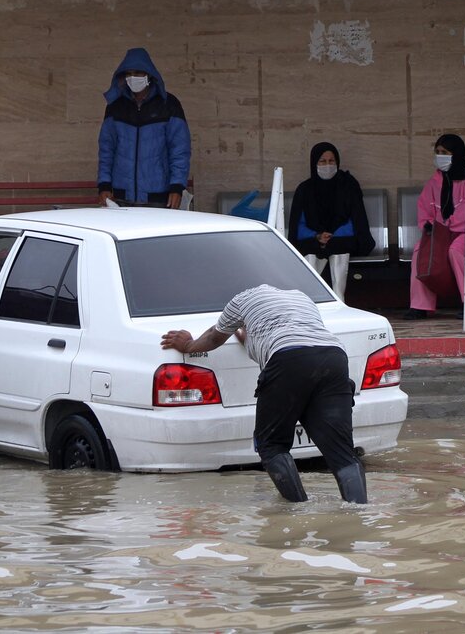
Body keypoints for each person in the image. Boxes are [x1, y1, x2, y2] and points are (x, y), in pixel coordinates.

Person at [161, 284, 367, 504]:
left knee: (271, 445)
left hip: (288, 359)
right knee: (342, 454)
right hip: (334, 357)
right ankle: (359, 513)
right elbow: (282, 336)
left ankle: (297, 511)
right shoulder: (300, 297)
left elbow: (214, 337)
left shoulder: (240, 300)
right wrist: (244, 335)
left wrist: (189, 344)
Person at [97, 47, 191, 209]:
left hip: (159, 198)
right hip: (121, 198)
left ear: (149, 75)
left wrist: (177, 186)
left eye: (139, 73)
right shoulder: (115, 106)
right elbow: (107, 149)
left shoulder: (168, 104)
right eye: (129, 73)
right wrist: (104, 185)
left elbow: (179, 150)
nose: (133, 78)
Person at [287, 142, 375, 301]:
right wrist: (317, 236)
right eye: (322, 161)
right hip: (315, 240)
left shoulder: (348, 185)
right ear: (314, 163)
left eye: (331, 161)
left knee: (339, 249)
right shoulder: (305, 190)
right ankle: (309, 301)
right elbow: (298, 225)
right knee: (311, 253)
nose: (328, 165)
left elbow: (356, 219)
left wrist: (333, 235)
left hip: (341, 239)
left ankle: (339, 300)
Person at [405, 134, 465, 320]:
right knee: (420, 251)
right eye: (437, 152)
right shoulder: (434, 182)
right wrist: (427, 225)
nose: (440, 156)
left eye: (444, 152)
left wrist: (447, 224)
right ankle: (420, 306)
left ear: (456, 154)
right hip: (439, 232)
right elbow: (425, 209)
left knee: (456, 251)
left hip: (464, 233)